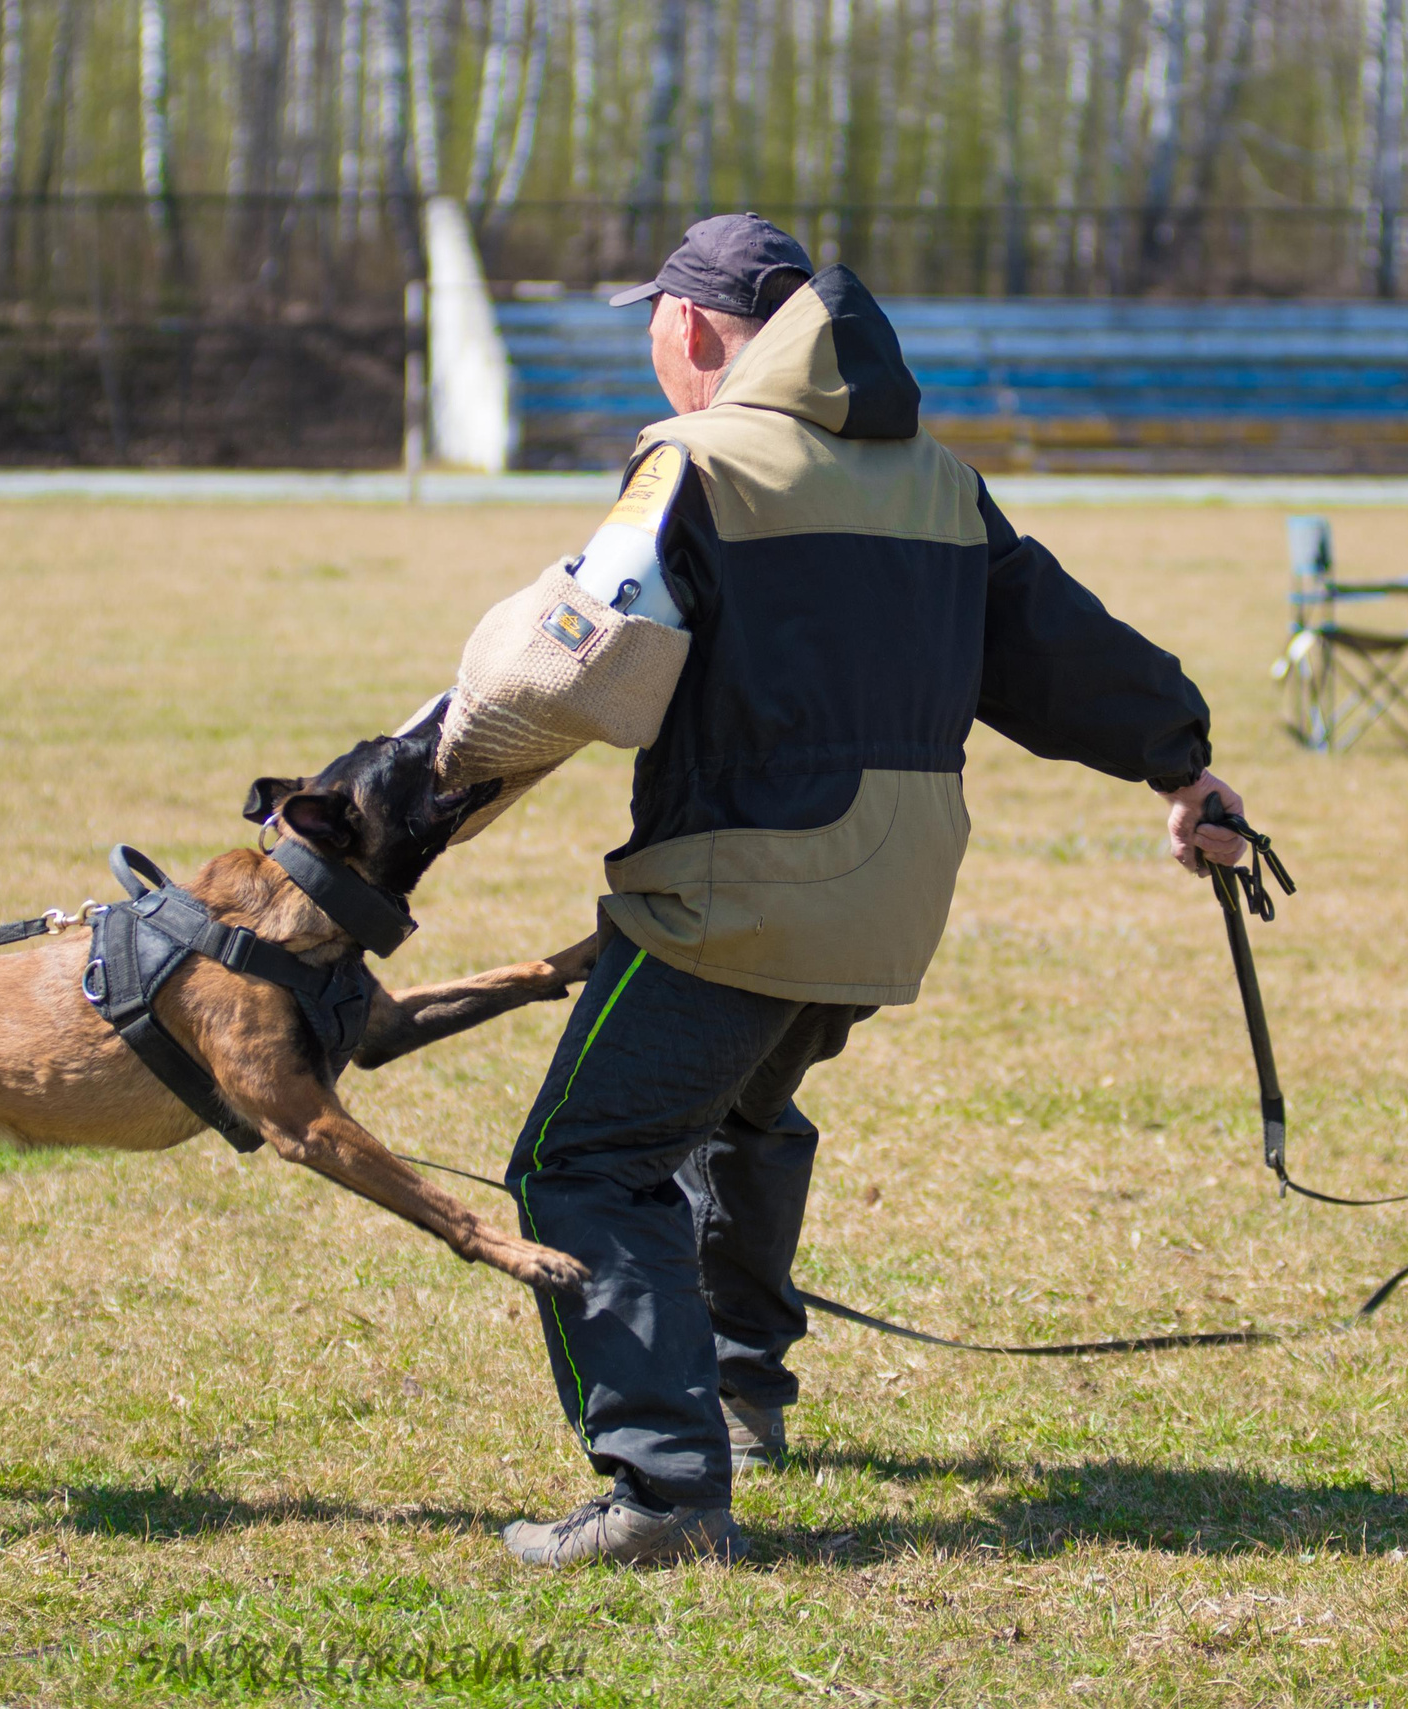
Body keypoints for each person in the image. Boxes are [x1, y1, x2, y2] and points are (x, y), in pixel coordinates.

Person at [419, 214, 1250, 1568]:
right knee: (741, 1112)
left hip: (741, 890)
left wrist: (412, 786)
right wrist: (1181, 763)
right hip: (892, 892)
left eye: (654, 323)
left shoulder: (694, 463)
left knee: (582, 1162)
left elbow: (572, 667)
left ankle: (662, 1492)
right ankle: (742, 1383)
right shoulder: (940, 480)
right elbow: (1057, 648)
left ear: (691, 327)